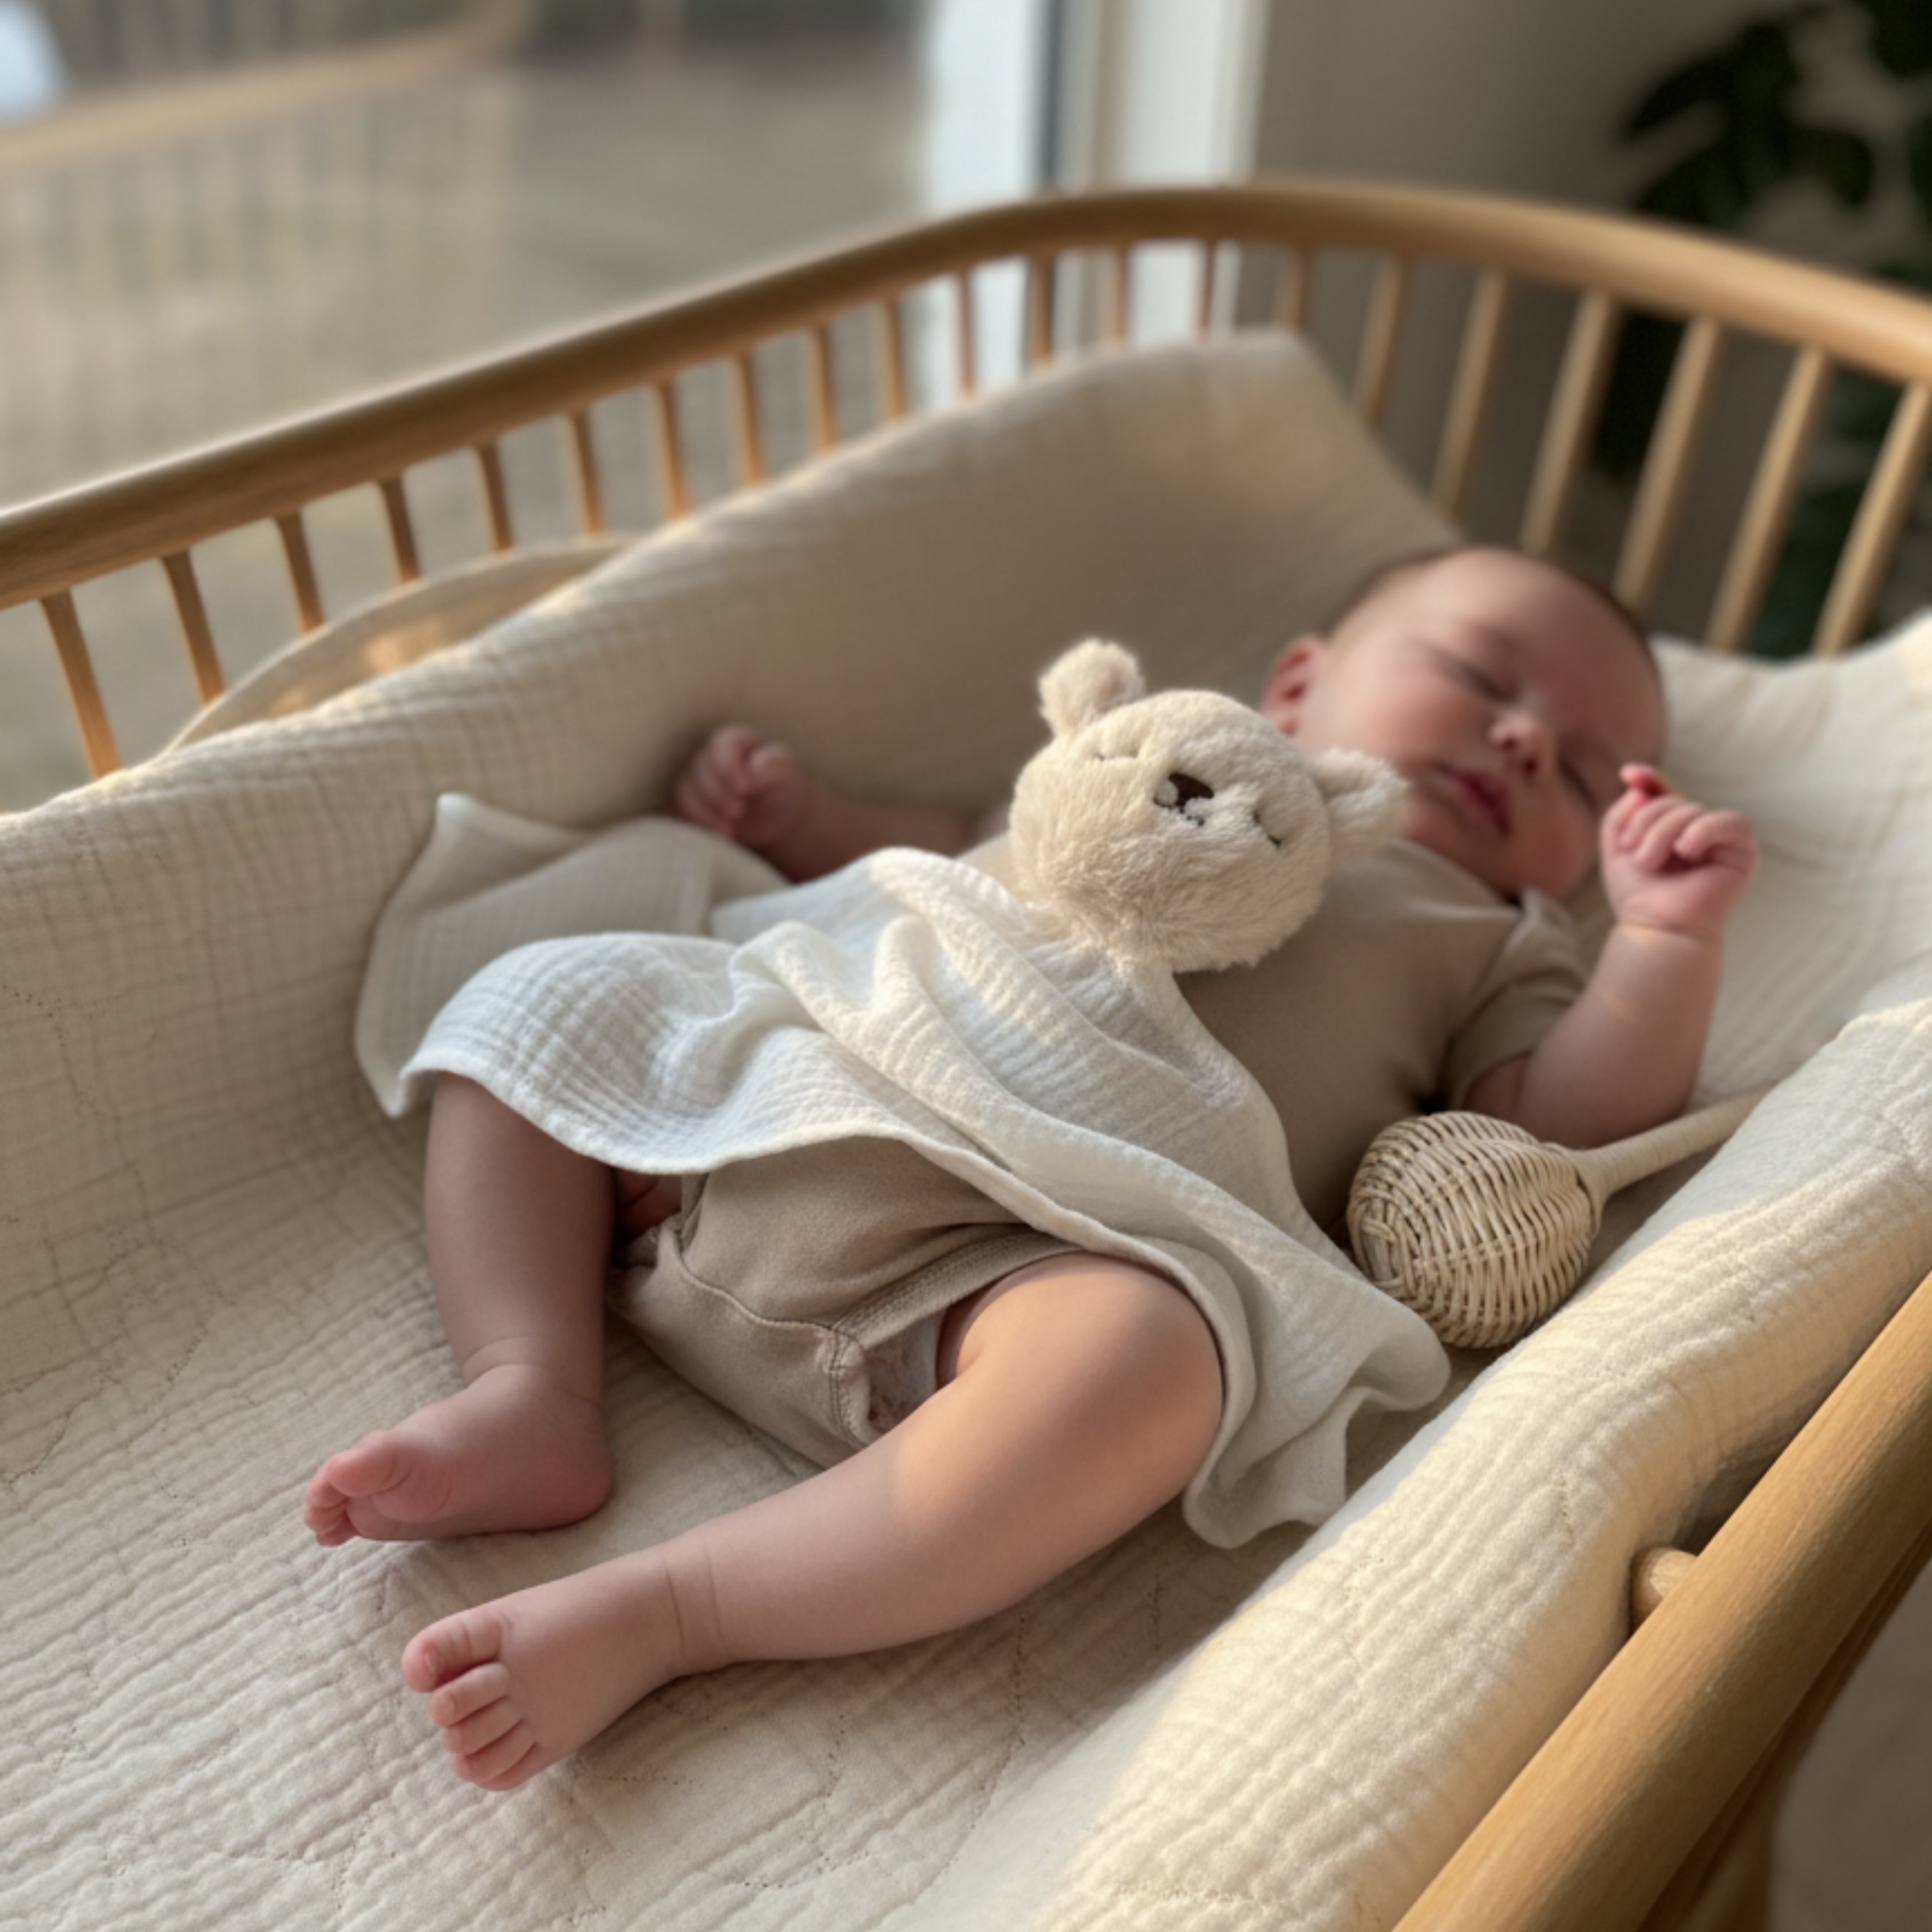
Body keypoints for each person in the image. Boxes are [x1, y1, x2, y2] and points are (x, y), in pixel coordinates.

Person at [305, 543, 1757, 1792]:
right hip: (762, 1110)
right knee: (543, 998)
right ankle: (530, 1382)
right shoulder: (1151, 754)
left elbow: (1549, 1121)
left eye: (1583, 768)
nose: (1522, 741)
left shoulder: (1491, 934)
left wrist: (1660, 942)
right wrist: (806, 823)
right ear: (1297, 685)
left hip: (981, 1284)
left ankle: (678, 1606)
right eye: (1480, 674)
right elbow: (958, 848)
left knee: (1148, 1360)